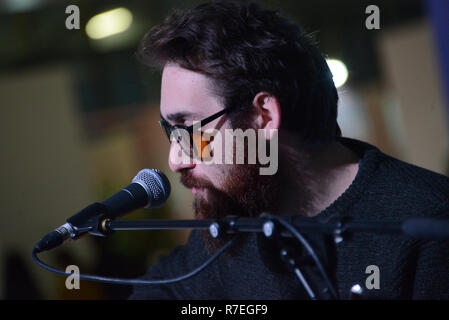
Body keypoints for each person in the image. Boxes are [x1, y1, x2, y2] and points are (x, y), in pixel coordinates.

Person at [129, 1, 449, 299]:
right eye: (170, 131)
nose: (175, 160)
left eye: (187, 128)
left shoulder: (429, 225)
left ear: (263, 116)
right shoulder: (232, 224)